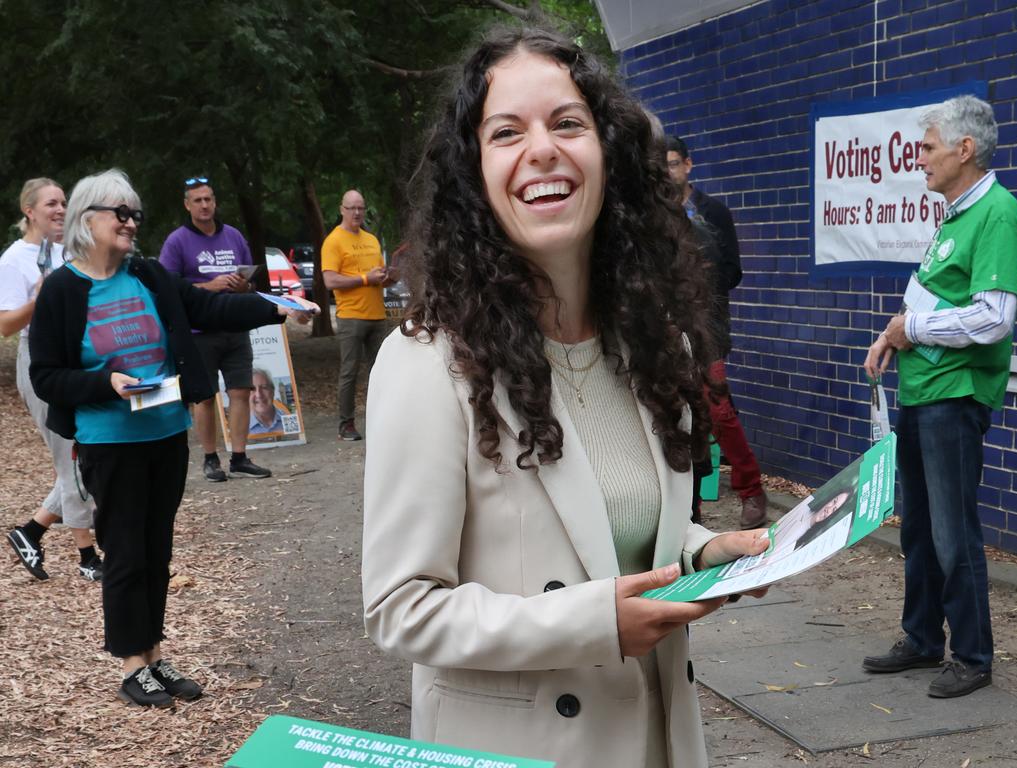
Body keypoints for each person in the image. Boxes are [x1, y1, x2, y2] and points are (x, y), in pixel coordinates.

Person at [362, 27, 769, 768]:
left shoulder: (654, 346)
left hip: (658, 739)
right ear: (474, 173)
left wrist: (703, 550)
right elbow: (401, 609)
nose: (542, 149)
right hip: (526, 749)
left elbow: (613, 528)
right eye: (507, 132)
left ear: (609, 155)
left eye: (569, 123)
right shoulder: (427, 366)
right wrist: (592, 623)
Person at [29, 169, 318, 708]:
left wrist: (277, 309)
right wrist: (103, 382)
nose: (132, 222)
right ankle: (132, 663)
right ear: (86, 219)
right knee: (126, 551)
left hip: (165, 433)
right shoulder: (64, 291)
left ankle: (156, 657)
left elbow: (206, 307)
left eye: (135, 213)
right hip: (109, 439)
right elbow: (46, 375)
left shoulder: (149, 275)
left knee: (156, 549)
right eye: (122, 213)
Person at [862, 95, 1017, 698]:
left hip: (956, 395)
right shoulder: (955, 215)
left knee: (954, 531)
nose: (918, 156)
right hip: (924, 389)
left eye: (928, 146)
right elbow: (930, 297)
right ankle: (924, 638)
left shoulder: (998, 214)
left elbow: (993, 318)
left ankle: (974, 656)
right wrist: (890, 335)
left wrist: (912, 331)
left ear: (965, 149)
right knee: (920, 528)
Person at [1, 178, 103, 582]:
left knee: (89, 448)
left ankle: (31, 532)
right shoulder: (14, 260)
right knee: (71, 455)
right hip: (40, 359)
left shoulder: (71, 251)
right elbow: (7, 325)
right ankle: (86, 555)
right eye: (51, 203)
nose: (61, 210)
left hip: (78, 356)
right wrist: (40, 296)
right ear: (30, 211)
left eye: (64, 202)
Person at [665, 137, 768, 529]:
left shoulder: (712, 212)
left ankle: (751, 489)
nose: (667, 173)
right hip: (665, 330)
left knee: (719, 411)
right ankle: (688, 512)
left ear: (688, 165)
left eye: (673, 164)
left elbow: (733, 272)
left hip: (706, 328)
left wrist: (698, 286)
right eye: (661, 166)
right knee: (675, 415)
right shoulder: (650, 216)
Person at [159, 176, 270, 481]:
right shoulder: (177, 241)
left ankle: (239, 457)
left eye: (208, 199)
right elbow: (167, 287)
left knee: (240, 391)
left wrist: (242, 284)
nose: (205, 205)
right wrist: (210, 285)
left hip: (235, 325)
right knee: (205, 397)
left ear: (215, 201)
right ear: (187, 205)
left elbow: (252, 280)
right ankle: (210, 458)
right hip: (199, 331)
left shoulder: (233, 236)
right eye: (198, 200)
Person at [321, 189, 396, 441]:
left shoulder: (371, 239)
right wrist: (366, 278)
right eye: (352, 208)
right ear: (341, 209)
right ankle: (346, 424)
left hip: (376, 314)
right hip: (351, 316)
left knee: (382, 371)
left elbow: (378, 279)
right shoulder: (333, 241)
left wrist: (387, 278)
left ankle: (383, 421)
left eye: (361, 208)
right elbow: (330, 281)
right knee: (349, 372)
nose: (357, 213)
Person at [248, 367, 285, 434]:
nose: (259, 395)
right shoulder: (240, 428)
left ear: (273, 391)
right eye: (252, 389)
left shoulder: (288, 418)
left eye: (264, 387)